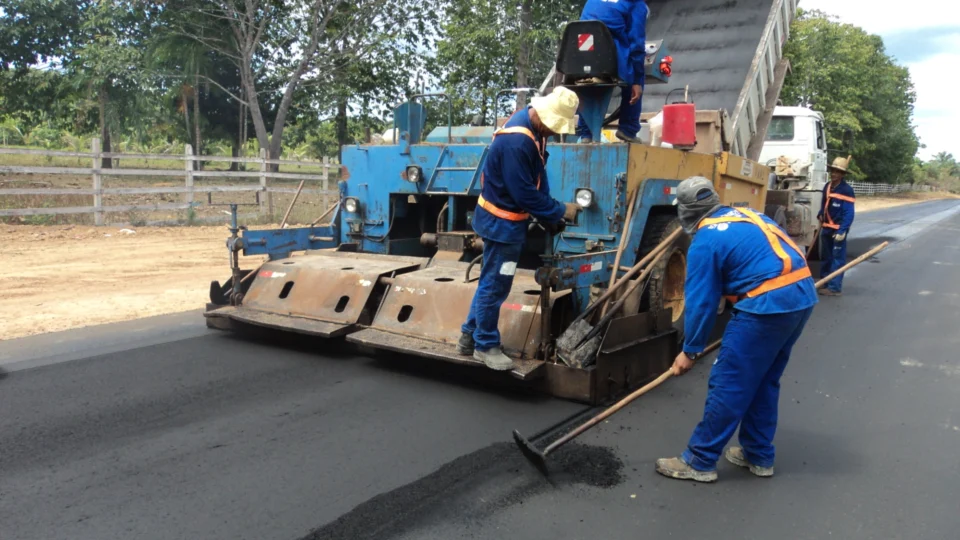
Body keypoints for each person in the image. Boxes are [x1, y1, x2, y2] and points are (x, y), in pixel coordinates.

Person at [655, 176, 818, 483]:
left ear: (686, 211)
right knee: (764, 379)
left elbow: (701, 302)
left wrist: (690, 351)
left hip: (767, 306)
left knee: (729, 381)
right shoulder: (747, 213)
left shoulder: (706, 241)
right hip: (801, 296)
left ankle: (699, 460)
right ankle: (758, 455)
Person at [458, 88, 582, 371]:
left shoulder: (534, 128)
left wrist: (549, 212)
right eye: (554, 127)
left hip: (505, 220)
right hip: (501, 224)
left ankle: (468, 336)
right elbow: (524, 193)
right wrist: (559, 210)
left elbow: (538, 174)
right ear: (545, 116)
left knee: (489, 281)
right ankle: (485, 345)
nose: (555, 133)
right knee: (495, 285)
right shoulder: (517, 142)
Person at [576, 0, 649, 143]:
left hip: (580, 58)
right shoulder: (636, 4)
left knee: (587, 84)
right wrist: (636, 80)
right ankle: (628, 129)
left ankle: (586, 133)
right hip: (608, 59)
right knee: (635, 76)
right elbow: (637, 45)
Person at [817, 156, 856, 296]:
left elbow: (849, 213)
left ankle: (834, 287)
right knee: (826, 257)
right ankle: (824, 282)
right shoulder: (827, 187)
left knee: (837, 258)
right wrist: (820, 214)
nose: (834, 174)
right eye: (833, 171)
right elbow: (824, 205)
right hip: (826, 228)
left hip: (838, 230)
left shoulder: (847, 190)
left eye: (837, 172)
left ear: (842, 174)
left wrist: (842, 230)